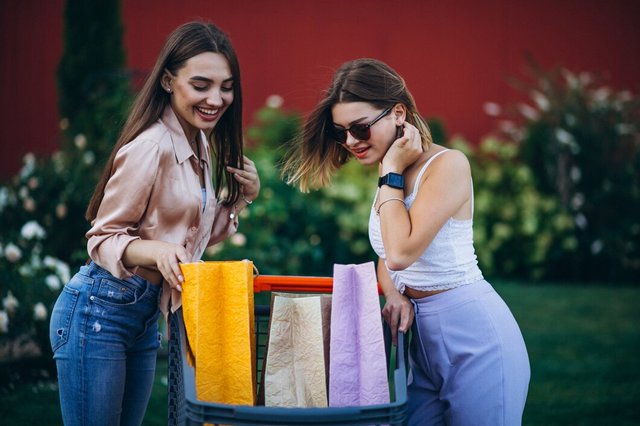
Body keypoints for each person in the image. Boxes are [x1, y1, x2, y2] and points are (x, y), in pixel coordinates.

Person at [282, 58, 529, 425]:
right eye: (341, 132)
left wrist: (391, 174)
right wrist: (396, 295)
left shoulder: (447, 166)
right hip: (423, 344)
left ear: (398, 113)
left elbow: (400, 253)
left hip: (475, 337)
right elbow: (386, 255)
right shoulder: (391, 173)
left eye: (361, 128)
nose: (351, 141)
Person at [49, 21, 260, 426]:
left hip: (145, 315)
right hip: (100, 310)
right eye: (201, 85)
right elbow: (103, 237)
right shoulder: (151, 146)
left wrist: (243, 197)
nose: (216, 99)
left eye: (226, 86)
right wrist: (158, 251)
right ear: (167, 80)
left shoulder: (200, 142)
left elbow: (194, 241)